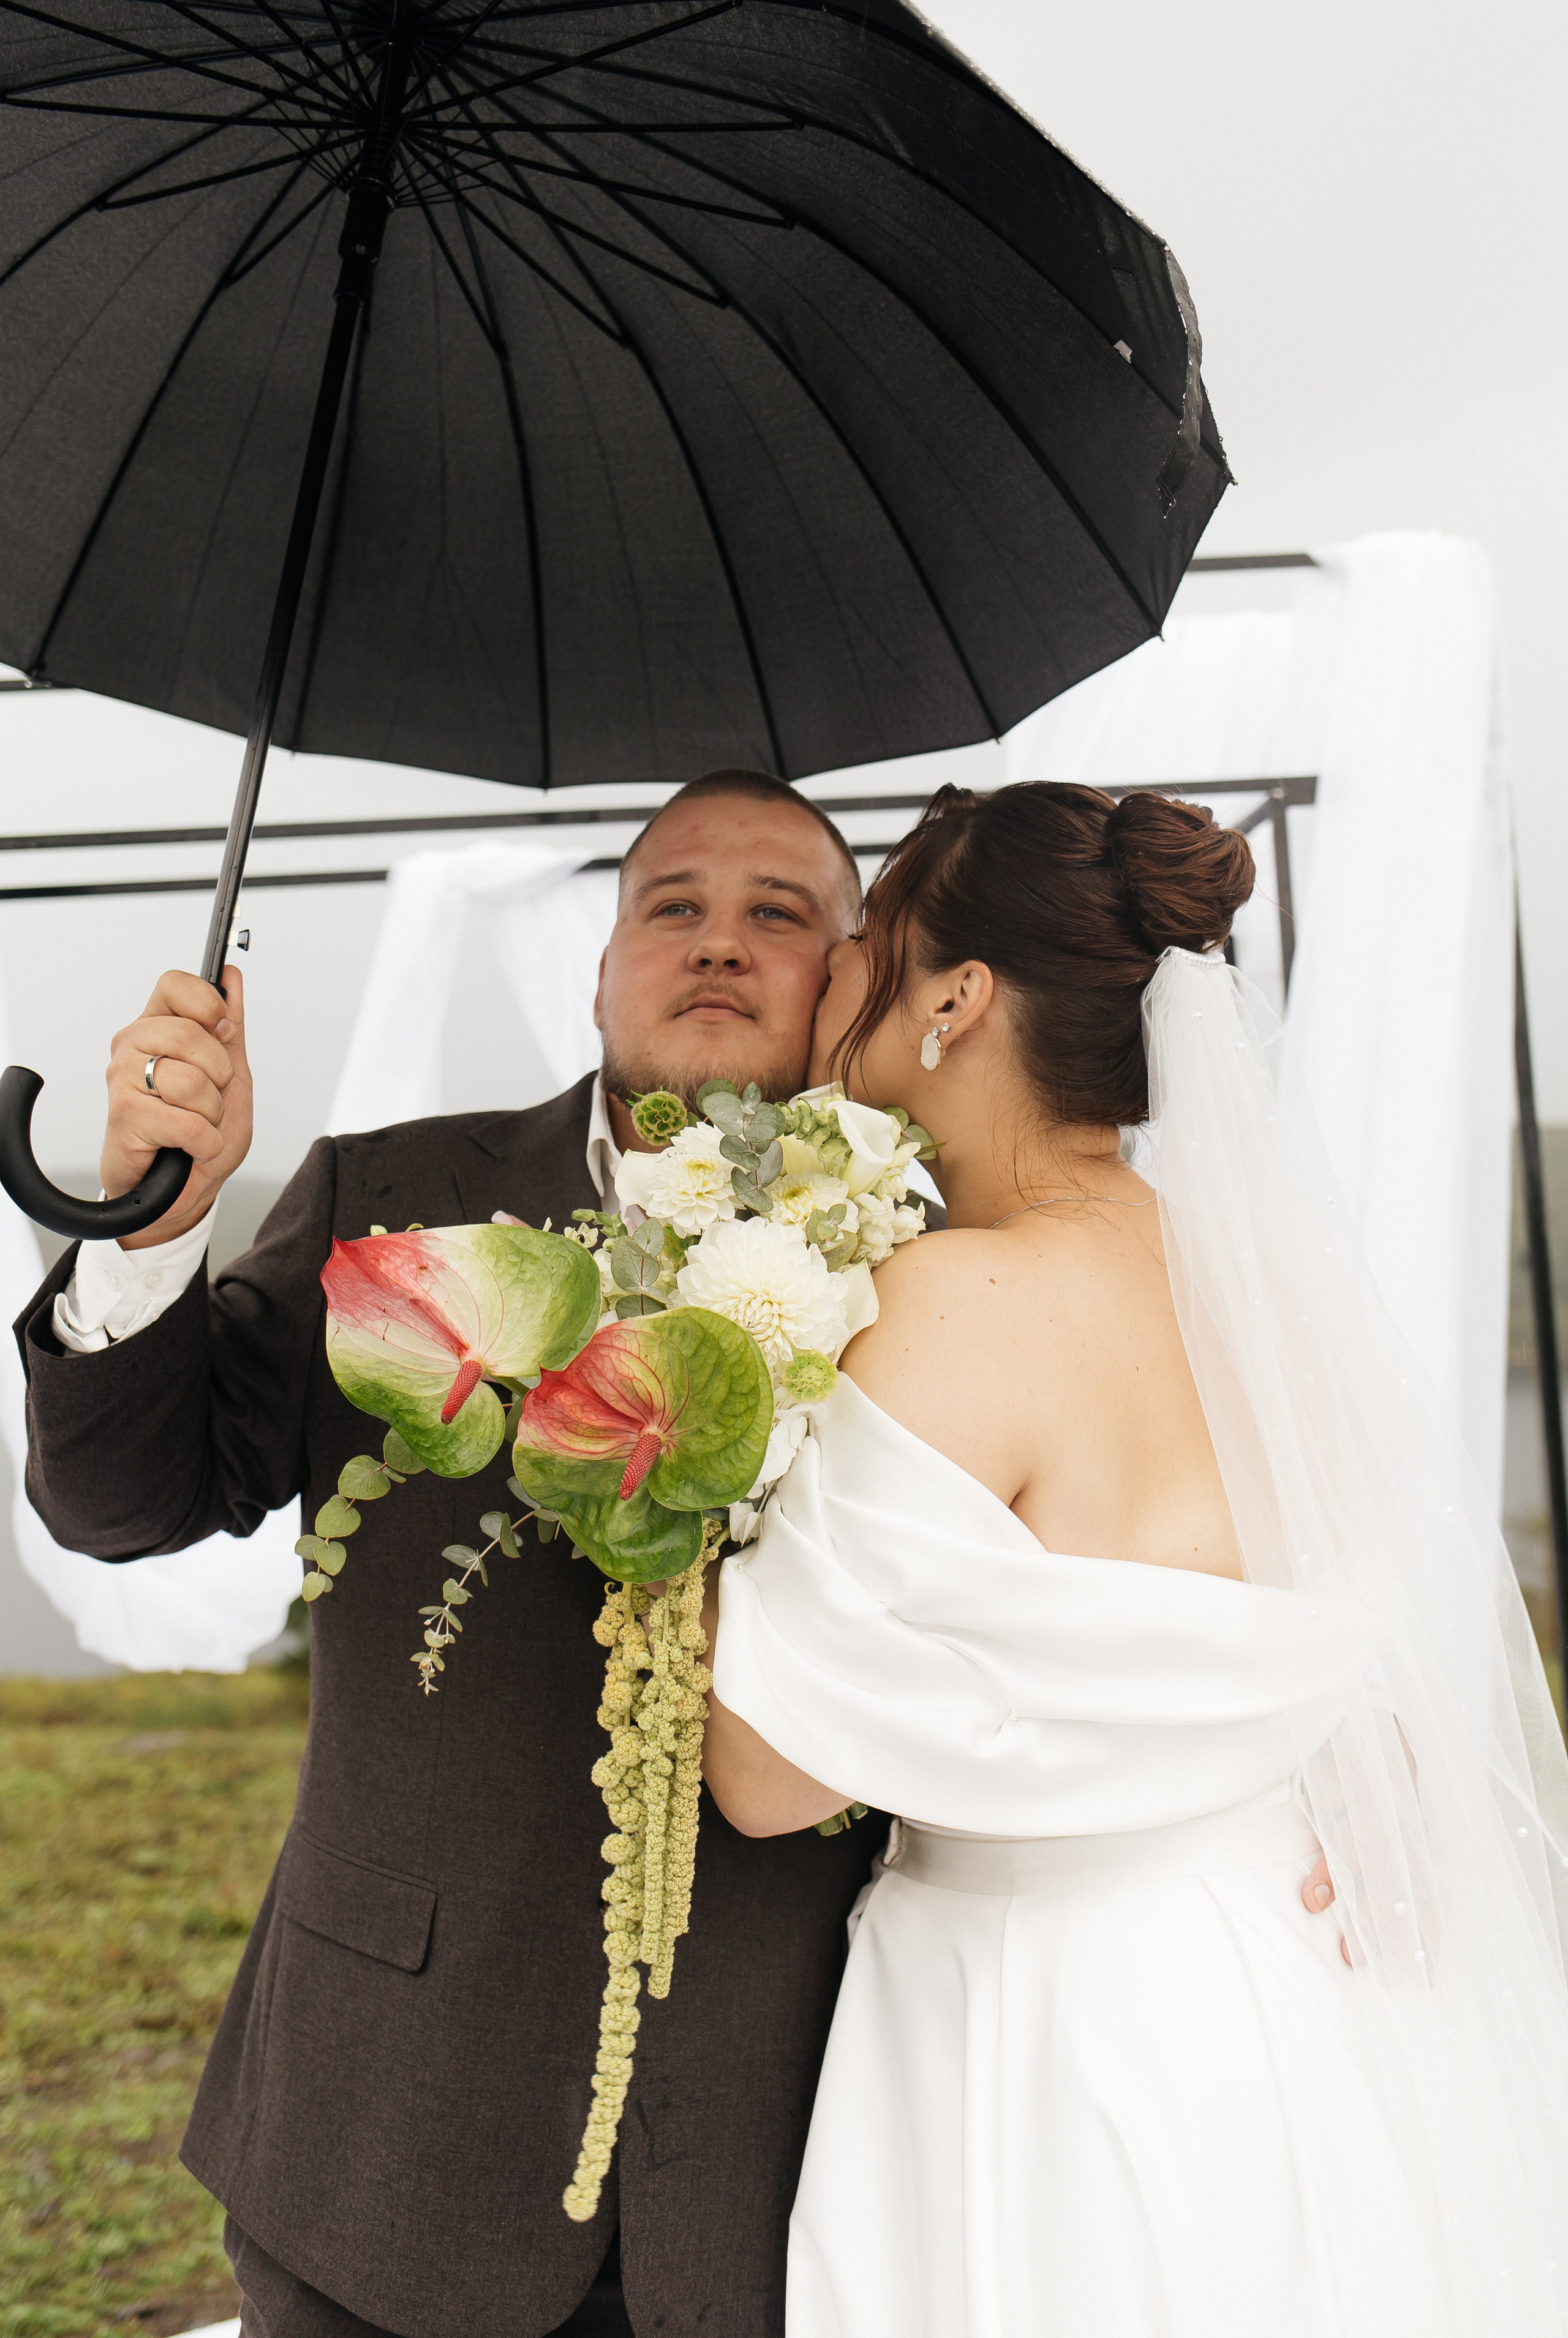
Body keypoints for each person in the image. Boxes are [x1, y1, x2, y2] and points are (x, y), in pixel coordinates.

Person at [15, 769, 886, 2338]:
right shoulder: (392, 1198)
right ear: (603, 962)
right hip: (383, 2130)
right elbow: (126, 1502)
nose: (717, 945)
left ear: (854, 976)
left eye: (779, 915)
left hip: (787, 2156)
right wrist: (155, 1223)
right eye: (670, 907)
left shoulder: (919, 1259)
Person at [702, 782, 1568, 2337]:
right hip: (1289, 1990)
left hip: (1048, 2018)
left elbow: (766, 1778)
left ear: (954, 999)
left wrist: (685, 1453)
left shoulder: (947, 1301)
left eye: (869, 943)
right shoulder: (1261, 1291)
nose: (831, 971)